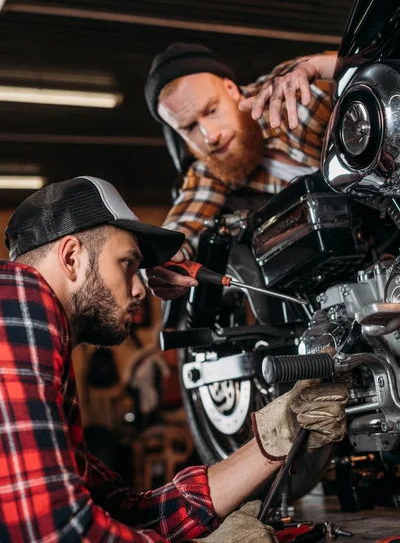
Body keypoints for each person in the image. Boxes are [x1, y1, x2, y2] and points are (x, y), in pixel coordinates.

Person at [0, 175, 348, 541]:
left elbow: (127, 511)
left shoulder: (33, 331)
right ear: (71, 257)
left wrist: (274, 443)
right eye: (127, 264)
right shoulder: (18, 306)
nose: (139, 289)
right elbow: (55, 530)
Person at [144, 43, 337, 300]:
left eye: (211, 110)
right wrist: (163, 261)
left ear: (231, 89)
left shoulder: (293, 97)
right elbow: (185, 222)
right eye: (190, 128)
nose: (210, 136)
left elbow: (369, 68)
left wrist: (323, 67)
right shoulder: (213, 168)